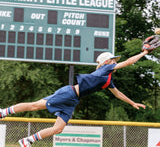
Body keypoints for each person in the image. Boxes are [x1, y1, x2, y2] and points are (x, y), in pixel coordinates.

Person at [0, 49, 149, 147]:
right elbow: (129, 62)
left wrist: (132, 103)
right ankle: (3, 112)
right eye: (112, 59)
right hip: (69, 93)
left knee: (58, 129)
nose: (115, 61)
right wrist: (144, 52)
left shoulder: (107, 79)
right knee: (35, 106)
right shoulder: (105, 69)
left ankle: (27, 141)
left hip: (72, 100)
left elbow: (118, 94)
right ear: (106, 62)